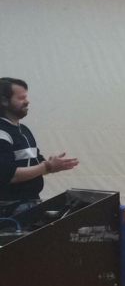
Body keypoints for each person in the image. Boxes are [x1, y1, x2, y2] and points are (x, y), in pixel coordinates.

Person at [0, 78, 79, 212]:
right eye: (21, 98)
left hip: (30, 203)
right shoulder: (2, 133)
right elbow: (9, 175)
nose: (27, 101)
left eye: (26, 97)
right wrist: (47, 166)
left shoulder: (24, 130)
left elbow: (36, 162)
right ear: (4, 101)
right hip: (10, 209)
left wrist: (53, 166)